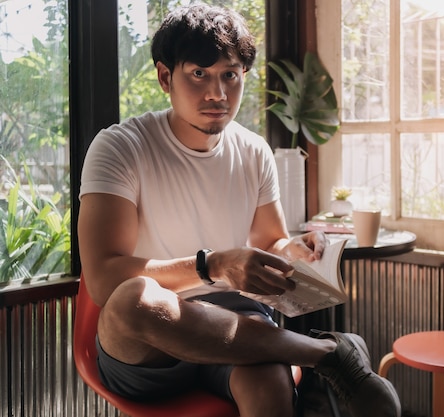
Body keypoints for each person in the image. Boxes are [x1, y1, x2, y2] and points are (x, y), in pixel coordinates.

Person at [77, 4, 401, 417]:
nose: (218, 93)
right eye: (199, 74)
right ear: (165, 77)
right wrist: (212, 265)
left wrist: (293, 250)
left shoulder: (253, 151)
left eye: (229, 75)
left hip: (236, 327)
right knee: (132, 299)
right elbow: (104, 280)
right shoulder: (121, 147)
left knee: (269, 386)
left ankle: (325, 357)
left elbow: (271, 240)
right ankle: (327, 353)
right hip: (150, 343)